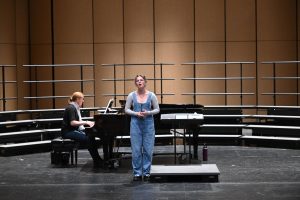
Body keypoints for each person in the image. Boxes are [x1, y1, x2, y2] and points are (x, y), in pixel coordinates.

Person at [125, 75, 160, 181]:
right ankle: (137, 173)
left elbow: (157, 109)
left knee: (148, 150)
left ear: (145, 82)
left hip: (148, 124)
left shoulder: (152, 95)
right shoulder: (131, 95)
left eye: (141, 80)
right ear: (135, 83)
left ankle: (147, 172)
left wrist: (148, 113)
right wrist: (136, 113)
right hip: (135, 124)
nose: (139, 82)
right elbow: (126, 109)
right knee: (136, 150)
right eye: (137, 80)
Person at [61, 92, 103, 167]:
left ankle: (97, 159)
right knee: (89, 138)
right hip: (67, 132)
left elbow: (78, 121)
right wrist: (86, 122)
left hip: (72, 130)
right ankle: (97, 160)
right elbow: (72, 123)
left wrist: (88, 123)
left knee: (91, 136)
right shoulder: (71, 108)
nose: (83, 101)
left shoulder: (75, 107)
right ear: (77, 99)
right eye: (82, 99)